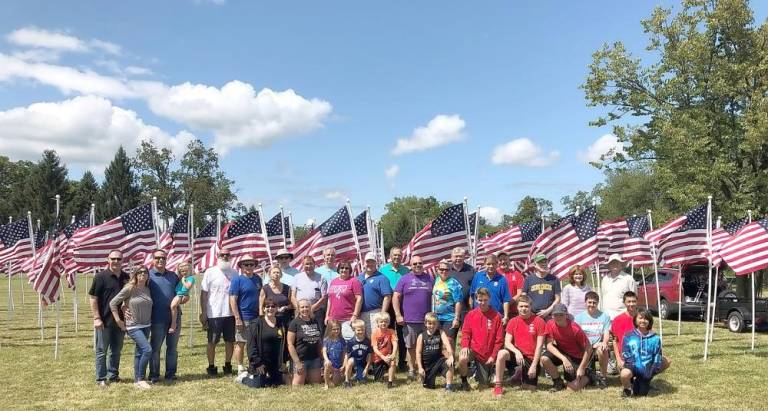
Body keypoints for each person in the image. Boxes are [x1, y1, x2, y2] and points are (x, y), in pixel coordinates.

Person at [89, 250, 129, 388]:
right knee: (102, 351)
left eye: (119, 259)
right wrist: (96, 317)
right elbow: (93, 299)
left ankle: (113, 375)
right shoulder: (100, 277)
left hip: (121, 321)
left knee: (116, 350)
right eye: (113, 259)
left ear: (122, 260)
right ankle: (101, 378)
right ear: (108, 259)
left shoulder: (126, 277)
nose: (116, 261)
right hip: (104, 321)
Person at [109, 266, 152, 389]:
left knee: (139, 352)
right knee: (147, 350)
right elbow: (113, 303)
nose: (143, 274)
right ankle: (142, 378)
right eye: (140, 272)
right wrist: (119, 320)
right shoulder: (129, 288)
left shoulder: (148, 289)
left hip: (147, 325)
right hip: (133, 326)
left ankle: (137, 380)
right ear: (135, 274)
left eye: (145, 272)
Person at [393, 255, 434, 381]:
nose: (417, 266)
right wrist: (398, 314)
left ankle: (424, 368)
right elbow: (396, 297)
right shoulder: (404, 279)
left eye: (420, 263)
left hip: (427, 321)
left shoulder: (430, 278)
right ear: (411, 265)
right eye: (415, 264)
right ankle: (411, 369)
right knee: (410, 346)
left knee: (427, 346)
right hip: (409, 320)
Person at [495, 295, 546, 395]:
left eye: (526, 306)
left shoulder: (539, 321)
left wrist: (534, 366)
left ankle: (519, 374)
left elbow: (539, 346)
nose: (524, 309)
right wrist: (517, 352)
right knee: (501, 353)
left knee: (530, 389)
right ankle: (498, 385)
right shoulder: (513, 321)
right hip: (516, 355)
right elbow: (507, 342)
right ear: (517, 307)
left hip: (531, 358)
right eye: (521, 306)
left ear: (531, 307)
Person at [200, 247, 237, 377]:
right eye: (222, 255)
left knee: (229, 341)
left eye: (227, 254)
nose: (225, 257)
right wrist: (204, 312)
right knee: (212, 341)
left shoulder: (235, 272)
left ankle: (228, 366)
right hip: (214, 313)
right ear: (218, 256)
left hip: (230, 313)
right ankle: (211, 367)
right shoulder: (210, 272)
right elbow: (204, 294)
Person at [457, 288, 504, 392]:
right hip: (474, 351)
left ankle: (489, 371)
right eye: (480, 300)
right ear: (476, 300)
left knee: (484, 386)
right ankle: (464, 382)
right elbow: (465, 333)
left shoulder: (496, 316)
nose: (483, 303)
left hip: (488, 354)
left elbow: (499, 340)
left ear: (489, 299)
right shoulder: (471, 315)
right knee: (462, 358)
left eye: (485, 300)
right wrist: (465, 346)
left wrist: (493, 356)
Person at [148, 249, 183, 383]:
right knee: (155, 348)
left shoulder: (173, 276)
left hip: (174, 318)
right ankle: (154, 374)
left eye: (163, 258)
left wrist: (184, 297)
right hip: (156, 318)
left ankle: (171, 374)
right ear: (153, 259)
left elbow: (182, 293)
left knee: (172, 348)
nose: (160, 260)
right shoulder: (148, 276)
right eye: (157, 258)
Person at [540, 304, 593, 392]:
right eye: (556, 315)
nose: (558, 317)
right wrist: (564, 359)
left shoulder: (575, 328)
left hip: (576, 356)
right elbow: (549, 345)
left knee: (571, 389)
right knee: (544, 359)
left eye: (561, 314)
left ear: (566, 315)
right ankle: (558, 382)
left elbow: (589, 348)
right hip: (563, 352)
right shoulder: (550, 324)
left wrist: (582, 367)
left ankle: (590, 376)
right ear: (552, 315)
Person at [620, 309, 671, 397]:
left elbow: (657, 355)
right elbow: (625, 353)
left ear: (650, 321)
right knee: (624, 374)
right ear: (635, 319)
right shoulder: (628, 335)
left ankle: (643, 381)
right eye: (640, 318)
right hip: (632, 366)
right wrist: (637, 367)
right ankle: (627, 389)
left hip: (648, 368)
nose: (643, 321)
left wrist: (651, 370)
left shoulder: (655, 338)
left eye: (646, 319)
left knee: (641, 393)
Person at [228, 253, 263, 375]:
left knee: (255, 343)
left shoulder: (258, 279)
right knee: (241, 343)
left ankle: (253, 364)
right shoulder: (237, 280)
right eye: (246, 264)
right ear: (241, 266)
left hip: (257, 317)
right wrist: (237, 318)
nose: (249, 266)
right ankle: (240, 366)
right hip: (243, 317)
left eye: (251, 264)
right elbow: (232, 299)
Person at [243, 297, 287, 388]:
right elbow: (251, 346)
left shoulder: (281, 323)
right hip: (261, 362)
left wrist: (284, 361)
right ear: (263, 309)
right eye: (267, 306)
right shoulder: (256, 324)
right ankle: (244, 378)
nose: (270, 308)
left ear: (277, 308)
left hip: (275, 363)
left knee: (277, 383)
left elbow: (285, 343)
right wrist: (258, 363)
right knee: (259, 384)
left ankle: (270, 377)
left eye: (273, 306)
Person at [574, 291, 611, 388]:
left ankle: (603, 377)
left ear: (598, 303)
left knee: (603, 349)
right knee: (584, 378)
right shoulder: (578, 318)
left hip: (597, 346)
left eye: (594, 302)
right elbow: (576, 336)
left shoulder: (604, 316)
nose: (592, 305)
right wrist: (587, 346)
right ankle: (591, 376)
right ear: (585, 302)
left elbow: (606, 333)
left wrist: (604, 342)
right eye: (589, 302)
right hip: (584, 347)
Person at [379, 247, 408, 370]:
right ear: (390, 256)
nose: (397, 257)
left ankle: (402, 362)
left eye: (399, 255)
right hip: (388, 306)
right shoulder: (382, 270)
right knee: (387, 335)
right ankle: (387, 361)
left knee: (402, 336)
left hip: (402, 306)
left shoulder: (406, 270)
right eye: (394, 255)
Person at [287, 299, 323, 386]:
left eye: (307, 307)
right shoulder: (294, 323)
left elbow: (319, 342)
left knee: (316, 385)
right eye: (302, 307)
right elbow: (290, 344)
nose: (305, 309)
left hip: (314, 358)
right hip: (300, 359)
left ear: (310, 308)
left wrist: (322, 359)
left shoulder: (314, 321)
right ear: (298, 309)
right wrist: (297, 362)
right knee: (298, 386)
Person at [415, 312, 455, 392]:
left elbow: (447, 345)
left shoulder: (440, 332)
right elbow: (418, 352)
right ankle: (424, 377)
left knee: (450, 364)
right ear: (425, 324)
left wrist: (451, 356)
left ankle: (449, 386)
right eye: (429, 323)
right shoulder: (421, 336)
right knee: (428, 386)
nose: (432, 326)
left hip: (439, 360)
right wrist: (420, 367)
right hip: (427, 364)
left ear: (437, 324)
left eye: (434, 324)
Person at [356, 253, 392, 336]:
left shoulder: (382, 278)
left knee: (375, 339)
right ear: (364, 263)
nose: (370, 264)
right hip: (360, 314)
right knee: (363, 339)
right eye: (368, 262)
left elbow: (387, 297)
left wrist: (382, 314)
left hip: (375, 313)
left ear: (376, 263)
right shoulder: (359, 278)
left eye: (372, 262)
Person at [326, 259, 362, 340]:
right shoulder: (333, 282)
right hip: (334, 320)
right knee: (335, 344)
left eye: (347, 268)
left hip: (348, 319)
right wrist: (327, 316)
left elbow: (359, 299)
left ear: (350, 270)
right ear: (338, 269)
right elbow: (329, 300)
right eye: (342, 267)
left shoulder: (354, 281)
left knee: (348, 342)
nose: (344, 270)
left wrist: (355, 315)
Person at [470, 255, 511, 324]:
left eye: (493, 264)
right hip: (478, 315)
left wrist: (506, 316)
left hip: (495, 316)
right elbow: (472, 295)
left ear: (497, 264)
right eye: (488, 264)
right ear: (484, 264)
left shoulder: (502, 279)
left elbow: (506, 300)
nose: (491, 266)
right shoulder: (478, 276)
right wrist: (471, 312)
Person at [292, 256, 328, 334]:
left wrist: (312, 308)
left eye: (311, 264)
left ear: (314, 264)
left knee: (317, 334)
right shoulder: (297, 277)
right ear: (303, 265)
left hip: (316, 312)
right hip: (300, 312)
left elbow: (324, 297)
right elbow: (293, 296)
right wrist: (298, 308)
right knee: (300, 334)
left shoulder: (321, 278)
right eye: (306, 264)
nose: (309, 266)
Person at [431, 260, 463, 343]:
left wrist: (456, 318)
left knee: (449, 342)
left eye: (446, 269)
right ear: (437, 270)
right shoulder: (436, 280)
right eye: (441, 269)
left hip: (449, 318)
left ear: (450, 270)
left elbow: (458, 302)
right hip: (436, 318)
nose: (444, 271)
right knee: (437, 342)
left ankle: (451, 356)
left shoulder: (454, 283)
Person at [522, 253, 561, 319]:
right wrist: (529, 311)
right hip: (532, 315)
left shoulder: (554, 279)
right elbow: (523, 297)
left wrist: (547, 311)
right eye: (540, 262)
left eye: (545, 262)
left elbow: (558, 299)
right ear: (535, 265)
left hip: (549, 315)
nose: (543, 264)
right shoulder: (528, 279)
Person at [601, 254, 637, 319]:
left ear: (621, 265)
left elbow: (634, 298)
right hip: (606, 317)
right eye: (612, 263)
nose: (615, 264)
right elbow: (603, 296)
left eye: (617, 262)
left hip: (623, 317)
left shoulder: (628, 279)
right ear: (609, 265)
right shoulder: (605, 279)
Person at [611, 291, 639, 373]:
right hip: (625, 357)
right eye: (629, 301)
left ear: (637, 302)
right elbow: (614, 341)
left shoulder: (641, 318)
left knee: (664, 362)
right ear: (624, 303)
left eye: (634, 301)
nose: (631, 304)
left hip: (640, 354)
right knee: (626, 375)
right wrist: (618, 359)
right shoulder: (617, 320)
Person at [371, 312, 397, 388]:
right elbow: (375, 348)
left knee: (392, 362)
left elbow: (395, 343)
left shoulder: (391, 331)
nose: (383, 323)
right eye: (381, 322)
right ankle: (385, 375)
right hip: (378, 358)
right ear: (377, 323)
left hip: (388, 356)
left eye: (385, 321)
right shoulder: (374, 333)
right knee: (378, 381)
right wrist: (383, 357)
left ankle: (390, 382)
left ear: (388, 322)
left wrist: (393, 354)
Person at [343, 319, 372, 388]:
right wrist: (345, 366)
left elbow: (369, 355)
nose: (361, 331)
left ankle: (358, 375)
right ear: (353, 330)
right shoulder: (350, 342)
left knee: (361, 381)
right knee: (350, 361)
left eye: (363, 329)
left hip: (363, 363)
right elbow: (347, 355)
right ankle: (347, 381)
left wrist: (367, 368)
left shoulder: (367, 341)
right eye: (358, 330)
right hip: (354, 362)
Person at [447, 247, 475, 315]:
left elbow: (474, 289)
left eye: (460, 256)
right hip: (449, 311)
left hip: (466, 310)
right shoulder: (446, 270)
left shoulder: (471, 270)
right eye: (456, 256)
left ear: (464, 257)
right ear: (451, 257)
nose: (458, 258)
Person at [168, 262, 195, 334]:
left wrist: (183, 281)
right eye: (182, 271)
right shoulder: (182, 277)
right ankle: (173, 323)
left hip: (181, 294)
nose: (184, 272)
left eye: (186, 271)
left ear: (189, 270)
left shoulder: (190, 278)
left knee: (173, 306)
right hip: (178, 294)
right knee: (174, 306)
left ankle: (173, 324)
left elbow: (188, 287)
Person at [498, 252, 524, 316]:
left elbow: (519, 293)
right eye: (500, 260)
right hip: (498, 311)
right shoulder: (494, 274)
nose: (503, 262)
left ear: (509, 260)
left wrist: (507, 303)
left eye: (505, 259)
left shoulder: (517, 274)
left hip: (514, 312)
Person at [322, 320, 345, 389]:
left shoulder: (342, 340)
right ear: (329, 329)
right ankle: (326, 384)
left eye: (338, 329)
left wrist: (344, 365)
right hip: (330, 364)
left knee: (335, 384)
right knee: (327, 364)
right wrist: (327, 360)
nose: (336, 331)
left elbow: (344, 353)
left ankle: (333, 377)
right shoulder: (327, 340)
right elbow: (324, 351)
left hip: (338, 366)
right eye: (334, 329)